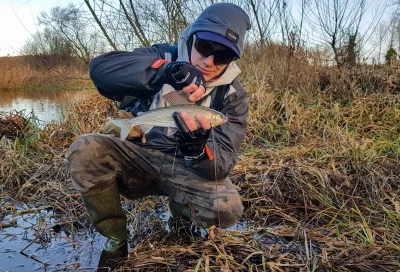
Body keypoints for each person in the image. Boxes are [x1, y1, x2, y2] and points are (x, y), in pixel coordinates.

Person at [66, 2, 251, 270]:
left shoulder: (233, 96)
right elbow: (101, 70)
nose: (209, 60)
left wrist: (198, 150)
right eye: (205, 47)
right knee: (85, 149)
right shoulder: (163, 55)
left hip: (185, 168)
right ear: (192, 38)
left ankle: (180, 218)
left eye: (221, 56)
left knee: (228, 208)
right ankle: (115, 238)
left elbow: (222, 164)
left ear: (233, 59)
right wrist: (164, 71)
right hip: (138, 159)